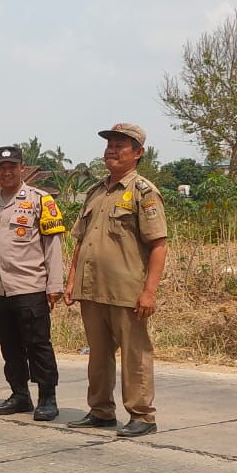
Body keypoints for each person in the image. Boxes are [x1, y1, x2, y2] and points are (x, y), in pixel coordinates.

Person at [63, 122, 168, 437]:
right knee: (98, 353)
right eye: (109, 143)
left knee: (135, 353)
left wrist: (149, 293)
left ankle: (142, 415)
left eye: (121, 145)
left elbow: (159, 245)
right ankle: (101, 411)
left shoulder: (143, 192)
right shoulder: (95, 191)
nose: (112, 149)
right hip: (92, 287)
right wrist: (71, 280)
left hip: (126, 291)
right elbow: (80, 241)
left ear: (137, 153)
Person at [0, 146, 65, 421]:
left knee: (38, 344)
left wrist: (54, 285)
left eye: (12, 166)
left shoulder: (40, 200)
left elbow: (52, 246)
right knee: (9, 345)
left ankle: (48, 396)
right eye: (1, 167)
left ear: (23, 168)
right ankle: (20, 394)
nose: (7, 172)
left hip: (30, 287)